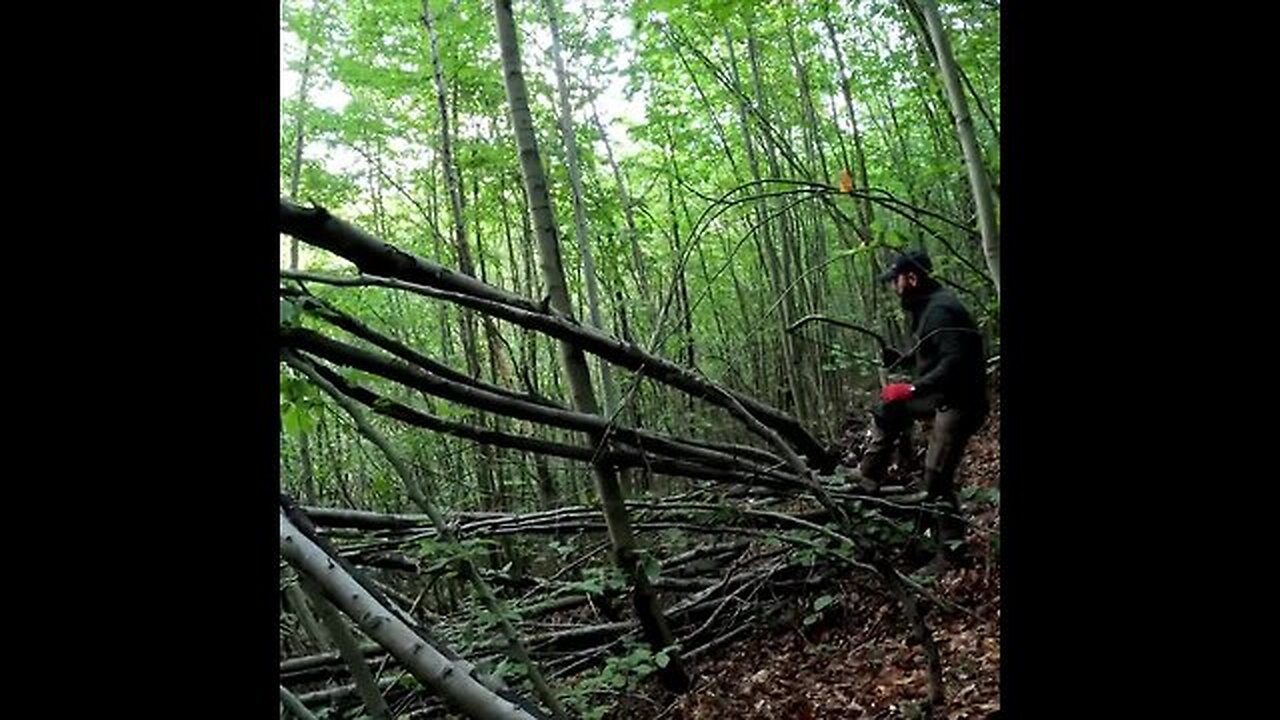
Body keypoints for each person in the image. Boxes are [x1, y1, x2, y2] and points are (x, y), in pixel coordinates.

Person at [848, 249, 989, 566]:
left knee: (937, 479)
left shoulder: (941, 310)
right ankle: (868, 473)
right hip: (942, 395)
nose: (894, 287)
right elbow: (935, 352)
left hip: (960, 404)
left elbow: (955, 361)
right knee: (889, 406)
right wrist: (902, 358)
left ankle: (951, 552)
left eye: (896, 280)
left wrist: (913, 387)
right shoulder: (930, 306)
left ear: (911, 278)